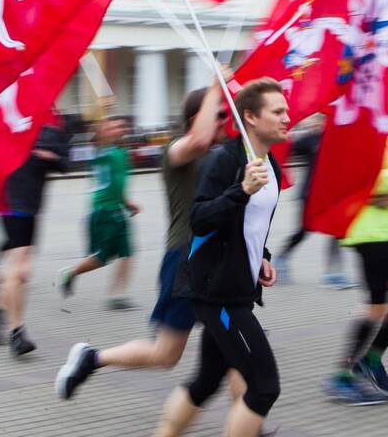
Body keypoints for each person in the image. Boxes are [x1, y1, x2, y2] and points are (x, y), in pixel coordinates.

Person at [57, 75, 234, 399]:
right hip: (187, 260)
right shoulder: (178, 151)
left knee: (238, 339)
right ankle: (92, 358)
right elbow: (197, 140)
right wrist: (214, 87)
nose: (227, 119)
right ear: (198, 118)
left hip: (219, 263)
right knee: (165, 355)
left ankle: (250, 420)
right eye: (221, 113)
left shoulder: (222, 155)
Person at [150, 77, 288, 437]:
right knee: (264, 385)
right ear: (251, 118)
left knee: (207, 380)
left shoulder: (270, 165)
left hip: (238, 287)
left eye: (285, 110)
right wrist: (240, 190)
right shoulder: (224, 160)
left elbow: (249, 227)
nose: (287, 117)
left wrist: (262, 257)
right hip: (217, 293)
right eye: (278, 111)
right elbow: (199, 218)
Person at [325, 137, 388, 405]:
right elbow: (368, 184)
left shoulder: (386, 139)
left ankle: (371, 359)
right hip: (368, 235)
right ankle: (341, 376)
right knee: (375, 309)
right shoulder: (355, 137)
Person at [0, 122, 69, 357]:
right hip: (11, 203)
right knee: (20, 271)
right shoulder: (9, 119)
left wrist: (46, 155)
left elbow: (64, 163)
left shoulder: (50, 126)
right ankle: (16, 332)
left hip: (30, 206)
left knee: (18, 270)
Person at [59, 115, 140, 309]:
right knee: (102, 259)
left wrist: (128, 204)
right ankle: (70, 273)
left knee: (128, 253)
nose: (119, 130)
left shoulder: (122, 154)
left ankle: (117, 296)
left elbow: (118, 184)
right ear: (104, 133)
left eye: (121, 126)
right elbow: (100, 148)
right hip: (103, 213)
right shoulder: (104, 154)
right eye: (113, 128)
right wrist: (101, 130)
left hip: (118, 211)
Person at [272, 114, 354, 289]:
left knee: (337, 232)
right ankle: (280, 258)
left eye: (324, 119)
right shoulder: (310, 139)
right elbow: (285, 150)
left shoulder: (341, 140)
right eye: (319, 120)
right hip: (310, 194)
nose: (321, 123)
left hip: (333, 195)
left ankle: (334, 273)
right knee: (303, 231)